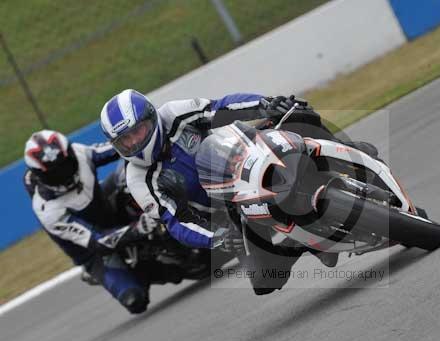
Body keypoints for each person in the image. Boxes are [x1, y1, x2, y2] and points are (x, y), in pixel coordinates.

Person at [100, 90, 379, 294]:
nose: (135, 141)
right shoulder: (138, 179)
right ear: (116, 144)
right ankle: (308, 242)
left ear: (152, 117)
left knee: (296, 112)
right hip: (228, 211)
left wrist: (265, 104)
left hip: (244, 155)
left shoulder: (173, 113)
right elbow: (175, 222)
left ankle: (350, 154)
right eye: (126, 139)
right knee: (264, 281)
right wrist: (217, 239)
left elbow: (222, 108)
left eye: (139, 131)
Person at [23, 130, 165, 313]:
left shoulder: (80, 152)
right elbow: (97, 241)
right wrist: (138, 229)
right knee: (135, 300)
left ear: (71, 154)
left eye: (66, 165)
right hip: (93, 252)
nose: (64, 175)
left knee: (125, 172)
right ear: (39, 176)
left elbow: (118, 148)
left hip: (106, 208)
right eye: (54, 174)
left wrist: (149, 138)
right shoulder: (48, 210)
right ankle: (145, 270)